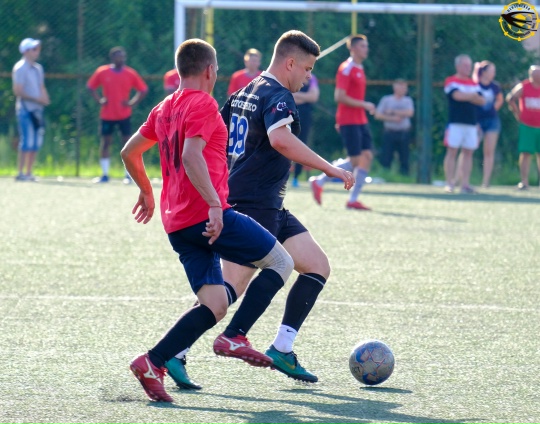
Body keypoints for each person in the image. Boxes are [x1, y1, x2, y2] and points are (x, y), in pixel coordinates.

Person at [121, 39, 294, 402]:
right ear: (210, 71)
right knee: (281, 262)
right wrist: (215, 204)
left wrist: (147, 191)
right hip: (207, 216)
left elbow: (129, 151)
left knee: (214, 303)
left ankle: (152, 362)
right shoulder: (202, 103)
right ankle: (236, 335)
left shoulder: (163, 107)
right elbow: (190, 156)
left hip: (176, 224)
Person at [208, 30, 354, 384]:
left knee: (316, 266)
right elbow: (280, 140)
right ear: (290, 63)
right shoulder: (278, 94)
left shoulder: (247, 90)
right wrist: (330, 168)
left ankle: (282, 348)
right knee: (227, 291)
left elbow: (219, 137)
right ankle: (172, 352)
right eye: (307, 68)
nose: (308, 76)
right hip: (254, 205)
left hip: (266, 203)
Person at [309, 34, 376, 211]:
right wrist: (365, 104)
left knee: (367, 157)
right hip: (349, 120)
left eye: (366, 46)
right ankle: (319, 181)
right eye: (362, 46)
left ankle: (353, 199)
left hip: (360, 119)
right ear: (353, 48)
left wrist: (363, 107)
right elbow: (339, 96)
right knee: (355, 161)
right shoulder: (346, 68)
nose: (366, 49)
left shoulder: (359, 68)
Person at [87, 46, 148, 184]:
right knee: (105, 143)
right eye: (118, 56)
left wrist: (132, 103)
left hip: (124, 114)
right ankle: (105, 174)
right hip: (107, 115)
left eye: (123, 56)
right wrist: (99, 100)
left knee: (127, 144)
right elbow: (90, 87)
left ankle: (128, 175)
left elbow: (143, 89)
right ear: (112, 58)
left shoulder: (130, 73)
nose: (121, 59)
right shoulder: (102, 72)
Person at [442, 54, 486, 194]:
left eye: (469, 65)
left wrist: (468, 96)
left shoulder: (473, 83)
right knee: (452, 151)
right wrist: (472, 96)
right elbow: (456, 96)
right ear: (458, 66)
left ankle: (465, 184)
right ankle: (449, 183)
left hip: (471, 124)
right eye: (465, 65)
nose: (468, 68)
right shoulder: (451, 81)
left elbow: (482, 101)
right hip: (455, 123)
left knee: (468, 153)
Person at [12, 38, 50, 181]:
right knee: (27, 141)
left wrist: (45, 98)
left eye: (37, 49)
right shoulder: (20, 68)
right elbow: (18, 91)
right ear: (26, 51)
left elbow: (41, 87)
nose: (37, 52)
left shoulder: (38, 68)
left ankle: (29, 172)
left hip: (37, 110)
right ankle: (20, 172)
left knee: (35, 142)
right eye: (34, 49)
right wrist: (37, 99)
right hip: (25, 109)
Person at [506, 65, 540, 190]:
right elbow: (511, 99)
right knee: (526, 153)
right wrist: (517, 113)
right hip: (527, 126)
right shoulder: (524, 86)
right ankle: (524, 181)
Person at [374, 79, 414, 176]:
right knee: (386, 157)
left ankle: (404, 177)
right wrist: (392, 119)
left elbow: (410, 113)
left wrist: (392, 111)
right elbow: (378, 115)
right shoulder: (386, 100)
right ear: (395, 88)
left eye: (405, 88)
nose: (404, 90)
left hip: (403, 133)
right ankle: (384, 176)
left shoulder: (408, 100)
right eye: (401, 87)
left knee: (404, 158)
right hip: (389, 132)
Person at [473, 61, 503, 188]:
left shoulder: (495, 86)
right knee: (468, 149)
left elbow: (500, 99)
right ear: (484, 72)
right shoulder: (475, 85)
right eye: (492, 71)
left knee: (489, 152)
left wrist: (492, 109)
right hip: (476, 122)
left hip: (492, 121)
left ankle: (485, 182)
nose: (494, 74)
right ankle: (459, 180)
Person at [291, 73, 320, 187]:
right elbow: (286, 95)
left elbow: (313, 97)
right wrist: (305, 97)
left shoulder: (312, 78)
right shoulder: (291, 75)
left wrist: (296, 96)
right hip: (288, 113)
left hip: (305, 117)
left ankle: (296, 177)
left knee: (301, 145)